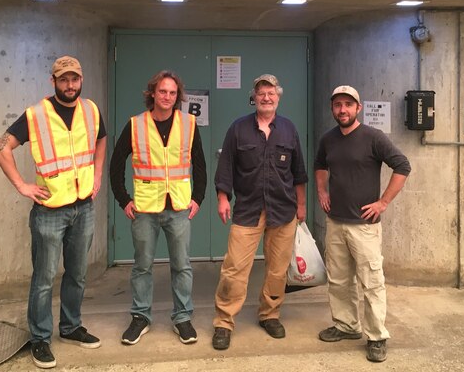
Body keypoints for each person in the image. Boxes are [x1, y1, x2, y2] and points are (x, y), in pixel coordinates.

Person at [0, 55, 106, 369]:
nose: (70, 85)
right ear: (53, 81)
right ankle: (40, 338)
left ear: (80, 80)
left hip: (83, 207)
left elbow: (101, 139)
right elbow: (1, 147)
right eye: (64, 79)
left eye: (74, 79)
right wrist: (22, 185)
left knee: (78, 274)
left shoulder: (90, 110)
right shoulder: (36, 115)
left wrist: (97, 174)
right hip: (49, 211)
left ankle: (70, 327)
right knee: (43, 279)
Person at [109, 70, 207, 346]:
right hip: (144, 209)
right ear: (152, 93)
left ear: (178, 96)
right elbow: (116, 165)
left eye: (173, 93)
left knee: (182, 266)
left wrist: (197, 198)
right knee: (142, 266)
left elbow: (199, 165)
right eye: (162, 91)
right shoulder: (135, 125)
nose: (167, 97)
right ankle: (140, 318)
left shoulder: (188, 124)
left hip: (178, 207)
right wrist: (123, 200)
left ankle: (182, 318)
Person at [315, 85, 411, 364]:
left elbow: (402, 166)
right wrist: (322, 191)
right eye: (337, 105)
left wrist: (383, 202)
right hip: (336, 222)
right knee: (339, 279)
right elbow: (320, 164)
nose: (342, 110)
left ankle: (377, 336)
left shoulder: (373, 138)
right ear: (333, 109)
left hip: (365, 226)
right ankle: (347, 326)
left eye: (348, 104)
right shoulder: (328, 139)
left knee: (371, 281)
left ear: (358, 108)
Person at [212, 74, 308, 350]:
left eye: (271, 93)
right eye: (261, 92)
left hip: (284, 209)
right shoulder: (238, 128)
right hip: (248, 209)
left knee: (278, 271)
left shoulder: (289, 129)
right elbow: (226, 167)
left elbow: (298, 172)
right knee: (234, 269)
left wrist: (301, 205)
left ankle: (270, 314)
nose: (266, 97)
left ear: (278, 97)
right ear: (253, 97)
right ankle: (224, 321)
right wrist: (222, 198)